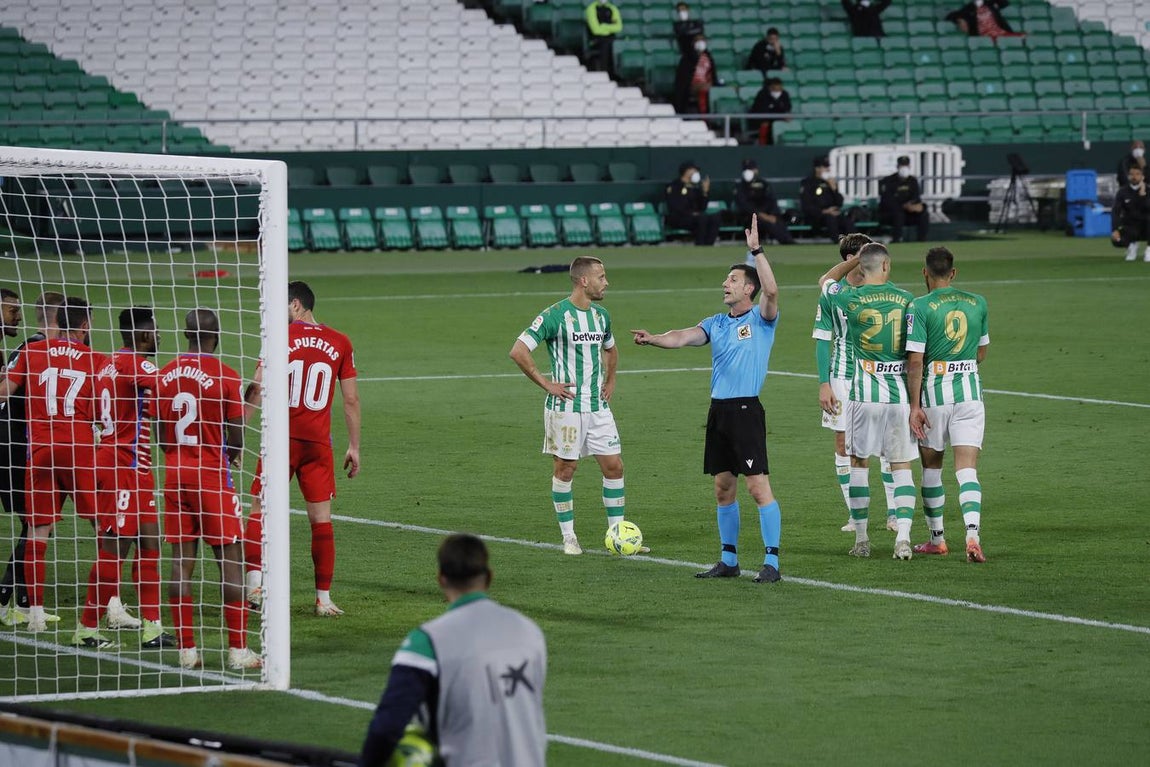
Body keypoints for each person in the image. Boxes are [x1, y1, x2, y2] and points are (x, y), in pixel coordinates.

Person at [630, 217, 783, 584]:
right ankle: (728, 560)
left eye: (732, 280)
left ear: (749, 288)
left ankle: (771, 563)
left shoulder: (763, 319)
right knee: (722, 487)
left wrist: (757, 250)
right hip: (719, 412)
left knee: (757, 486)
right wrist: (654, 338)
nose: (724, 285)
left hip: (746, 410)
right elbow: (682, 336)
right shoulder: (716, 322)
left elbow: (773, 291)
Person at [358, 534, 547, 767]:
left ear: (441, 579)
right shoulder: (530, 632)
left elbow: (386, 728)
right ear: (489, 577)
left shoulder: (427, 642)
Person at [243, 281, 361, 616]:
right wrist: (354, 446)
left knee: (259, 509)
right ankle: (323, 599)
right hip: (318, 445)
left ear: (296, 305)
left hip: (281, 441)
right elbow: (350, 399)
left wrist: (235, 433)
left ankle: (255, 588)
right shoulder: (341, 341)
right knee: (321, 521)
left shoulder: (279, 339)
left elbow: (257, 387)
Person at [509, 256, 637, 556]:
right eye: (602, 277)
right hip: (565, 407)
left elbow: (611, 348)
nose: (606, 282)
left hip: (597, 406)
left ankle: (617, 536)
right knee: (566, 469)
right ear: (584, 281)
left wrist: (611, 379)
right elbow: (518, 351)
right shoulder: (554, 315)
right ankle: (569, 537)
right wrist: (546, 383)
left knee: (614, 466)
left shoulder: (602, 316)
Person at [156, 309, 260, 670]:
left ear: (186, 335)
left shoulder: (164, 375)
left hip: (174, 475)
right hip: (211, 478)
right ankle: (237, 650)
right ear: (216, 337)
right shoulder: (226, 376)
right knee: (230, 563)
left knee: (181, 566)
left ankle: (186, 651)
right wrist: (228, 456)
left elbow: (160, 434)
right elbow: (237, 435)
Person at [73, 307, 175, 649]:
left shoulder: (105, 364)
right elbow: (167, 386)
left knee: (150, 543)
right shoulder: (134, 363)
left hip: (135, 469)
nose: (159, 336)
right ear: (142, 334)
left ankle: (152, 627)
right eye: (155, 330)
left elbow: (90, 411)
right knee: (114, 548)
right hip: (121, 469)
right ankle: (86, 628)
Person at [0, 297, 104, 632]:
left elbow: (4, 392)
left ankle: (35, 616)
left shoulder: (32, 352)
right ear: (85, 326)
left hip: (40, 452)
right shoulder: (94, 359)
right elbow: (108, 407)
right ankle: (101, 614)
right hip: (78, 451)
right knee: (109, 528)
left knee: (36, 530)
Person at [824, 243, 918, 560]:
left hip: (862, 396)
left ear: (861, 269)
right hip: (898, 397)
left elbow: (825, 280)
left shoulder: (852, 298)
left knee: (859, 464)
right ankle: (903, 537)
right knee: (900, 465)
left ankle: (862, 541)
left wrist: (852, 260)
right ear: (887, 266)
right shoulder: (907, 300)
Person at [906, 247, 990, 564]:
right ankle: (972, 535)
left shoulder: (920, 306)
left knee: (932, 467)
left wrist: (915, 406)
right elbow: (981, 353)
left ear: (925, 272)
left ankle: (937, 539)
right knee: (967, 469)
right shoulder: (977, 302)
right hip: (970, 392)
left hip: (935, 394)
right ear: (953, 273)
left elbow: (915, 362)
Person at [813, 236, 900, 535]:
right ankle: (855, 514)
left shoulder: (881, 291)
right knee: (844, 445)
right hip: (842, 377)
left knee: (887, 446)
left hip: (879, 377)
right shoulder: (834, 295)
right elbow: (823, 339)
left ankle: (893, 514)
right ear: (853, 257)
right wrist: (824, 384)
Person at [734, 159, 794, 245]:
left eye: (751, 169)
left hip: (767, 214)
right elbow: (744, 206)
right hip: (750, 218)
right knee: (766, 223)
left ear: (756, 170)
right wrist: (761, 215)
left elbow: (771, 201)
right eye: (746, 169)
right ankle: (786, 241)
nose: (749, 172)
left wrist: (772, 215)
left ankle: (789, 240)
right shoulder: (740, 187)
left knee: (779, 221)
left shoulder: (764, 184)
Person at [665, 161, 721, 246]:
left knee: (714, 218)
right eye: (693, 170)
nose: (696, 173)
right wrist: (691, 214)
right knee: (702, 218)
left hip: (695, 217)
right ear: (686, 171)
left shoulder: (695, 187)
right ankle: (700, 245)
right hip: (679, 218)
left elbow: (702, 208)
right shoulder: (674, 186)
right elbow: (675, 206)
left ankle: (708, 245)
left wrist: (705, 193)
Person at [879, 155, 930, 243]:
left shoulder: (913, 181)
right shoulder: (888, 181)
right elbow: (887, 201)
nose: (904, 168)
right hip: (892, 214)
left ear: (909, 166)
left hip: (909, 213)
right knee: (899, 215)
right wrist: (904, 206)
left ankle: (922, 240)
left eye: (906, 166)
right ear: (897, 167)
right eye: (902, 166)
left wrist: (918, 207)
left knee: (924, 215)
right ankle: (897, 240)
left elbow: (916, 198)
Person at [800, 156, 853, 240]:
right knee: (830, 219)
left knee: (847, 221)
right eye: (825, 167)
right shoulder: (808, 183)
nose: (828, 170)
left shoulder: (830, 183)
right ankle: (837, 241)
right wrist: (824, 211)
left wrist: (834, 189)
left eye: (828, 167)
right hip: (817, 216)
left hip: (833, 213)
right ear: (817, 168)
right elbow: (806, 205)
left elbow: (839, 202)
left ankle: (853, 243)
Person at [1111, 165, 1150, 262]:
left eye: (1137, 174)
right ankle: (1132, 246)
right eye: (1131, 174)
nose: (1134, 176)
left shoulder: (1148, 190)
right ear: (1128, 176)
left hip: (1146, 226)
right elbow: (1116, 211)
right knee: (1116, 241)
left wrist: (1143, 195)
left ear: (1142, 176)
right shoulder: (1122, 192)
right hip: (1131, 226)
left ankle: (1149, 250)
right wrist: (1115, 229)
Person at [673, 34, 719, 115]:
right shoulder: (687, 58)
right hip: (692, 86)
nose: (700, 43)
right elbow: (683, 79)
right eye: (698, 41)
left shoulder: (708, 57)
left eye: (702, 40)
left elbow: (712, 75)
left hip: (707, 85)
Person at [748, 77, 792, 145]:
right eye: (775, 89)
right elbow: (761, 110)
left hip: (779, 118)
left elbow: (787, 107)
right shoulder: (762, 94)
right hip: (761, 119)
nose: (778, 91)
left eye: (780, 88)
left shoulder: (784, 94)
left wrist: (786, 114)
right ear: (770, 88)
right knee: (765, 125)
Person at [946, 0, 1020, 39]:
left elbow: (1005, 4)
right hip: (984, 37)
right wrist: (960, 20)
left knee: (1023, 37)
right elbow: (950, 16)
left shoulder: (991, 5)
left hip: (1000, 33)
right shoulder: (969, 9)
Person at [585, 0, 622, 75]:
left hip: (611, 38)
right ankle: (604, 71)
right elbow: (596, 30)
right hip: (596, 39)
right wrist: (610, 28)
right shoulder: (591, 9)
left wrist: (604, 26)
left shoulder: (613, 8)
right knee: (605, 43)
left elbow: (619, 27)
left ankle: (616, 73)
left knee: (616, 44)